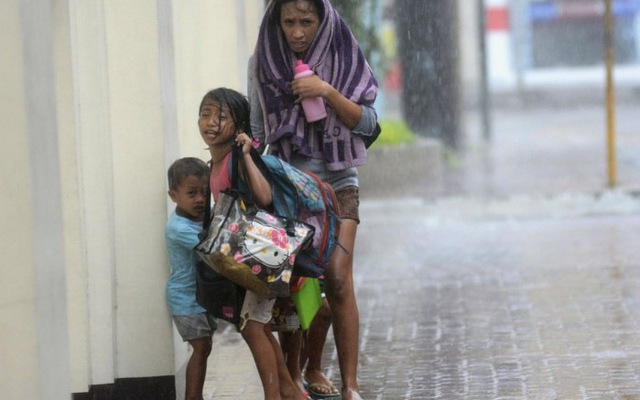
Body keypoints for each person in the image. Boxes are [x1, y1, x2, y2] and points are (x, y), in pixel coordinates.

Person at [249, 1, 379, 399]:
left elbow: (371, 125)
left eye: (306, 21)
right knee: (299, 286)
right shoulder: (263, 60)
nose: (297, 32)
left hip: (340, 183)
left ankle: (351, 386)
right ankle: (303, 371)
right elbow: (257, 132)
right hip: (290, 186)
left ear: (322, 20)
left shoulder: (344, 51)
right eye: (289, 22)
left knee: (338, 277)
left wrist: (325, 90)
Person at [198, 87, 310, 400]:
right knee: (256, 325)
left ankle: (276, 395)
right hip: (249, 259)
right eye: (205, 114)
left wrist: (247, 155)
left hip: (263, 254)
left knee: (252, 327)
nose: (210, 122)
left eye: (221, 116)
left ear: (239, 127)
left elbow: (264, 197)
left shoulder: (238, 158)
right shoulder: (215, 163)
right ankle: (289, 392)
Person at [165, 157, 217, 400]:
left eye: (205, 193)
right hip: (185, 298)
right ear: (173, 195)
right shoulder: (179, 228)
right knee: (201, 347)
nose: (200, 199)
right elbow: (211, 249)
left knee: (204, 347)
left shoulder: (199, 218)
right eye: (192, 193)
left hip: (201, 296)